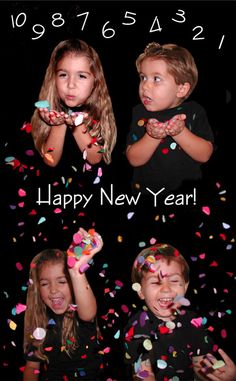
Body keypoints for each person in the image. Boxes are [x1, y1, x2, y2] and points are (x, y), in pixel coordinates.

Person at [124, 243, 232, 381]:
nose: (166, 289)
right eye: (155, 282)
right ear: (140, 291)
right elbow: (144, 374)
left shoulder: (193, 322)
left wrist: (217, 377)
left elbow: (199, 367)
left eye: (174, 280)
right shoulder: (137, 327)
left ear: (185, 286)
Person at [126, 42, 214, 195]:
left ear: (181, 89)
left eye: (156, 79)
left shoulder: (194, 111)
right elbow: (133, 159)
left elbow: (205, 155)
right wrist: (152, 136)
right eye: (143, 77)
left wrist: (180, 132)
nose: (145, 86)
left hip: (187, 195)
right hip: (147, 195)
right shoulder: (139, 113)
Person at [23, 227, 104, 381]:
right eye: (45, 284)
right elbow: (32, 367)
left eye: (62, 281)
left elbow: (89, 313)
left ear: (74, 284)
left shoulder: (82, 313)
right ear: (37, 289)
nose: (53, 290)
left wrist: (75, 272)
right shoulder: (39, 323)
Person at [31, 39, 117, 167]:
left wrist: (76, 125)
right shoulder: (46, 112)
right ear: (53, 78)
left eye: (81, 76)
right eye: (63, 75)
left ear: (95, 81)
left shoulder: (100, 113)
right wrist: (58, 124)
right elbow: (51, 162)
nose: (71, 85)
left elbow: (95, 158)